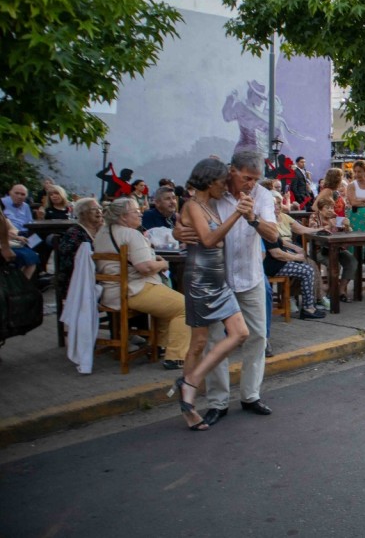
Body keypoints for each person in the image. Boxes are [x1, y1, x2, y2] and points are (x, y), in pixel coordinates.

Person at [176, 151, 280, 426]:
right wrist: (179, 230)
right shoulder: (215, 190)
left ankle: (250, 395)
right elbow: (189, 215)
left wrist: (253, 218)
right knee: (214, 340)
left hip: (250, 276)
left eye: (255, 179)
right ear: (232, 171)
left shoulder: (262, 196)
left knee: (256, 336)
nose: (250, 184)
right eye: (246, 177)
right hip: (215, 280)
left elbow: (274, 235)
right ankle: (218, 402)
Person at [173, 158, 251, 431]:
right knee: (198, 342)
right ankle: (188, 403)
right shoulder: (193, 205)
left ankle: (190, 381)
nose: (224, 186)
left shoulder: (210, 204)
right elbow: (208, 240)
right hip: (199, 280)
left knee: (240, 333)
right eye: (221, 182)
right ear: (209, 181)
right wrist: (237, 214)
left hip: (218, 281)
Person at [93, 198, 189, 370]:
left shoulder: (101, 233)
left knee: (168, 303)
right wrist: (163, 264)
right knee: (185, 307)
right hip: (135, 290)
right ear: (123, 217)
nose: (141, 214)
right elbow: (145, 267)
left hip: (109, 292)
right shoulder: (131, 234)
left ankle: (160, 346)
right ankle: (176, 356)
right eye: (136, 212)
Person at [308, 194, 359, 303]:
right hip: (320, 250)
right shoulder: (314, 217)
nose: (330, 210)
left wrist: (346, 226)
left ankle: (340, 290)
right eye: (327, 208)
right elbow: (313, 231)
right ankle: (332, 291)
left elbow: (346, 234)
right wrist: (328, 226)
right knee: (335, 264)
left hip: (337, 249)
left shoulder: (335, 217)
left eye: (331, 207)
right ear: (321, 209)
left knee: (352, 262)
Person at [55, 198, 104, 303]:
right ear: (83, 213)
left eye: (100, 208)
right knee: (116, 293)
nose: (99, 211)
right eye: (94, 209)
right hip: (78, 283)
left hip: (97, 279)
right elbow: (71, 263)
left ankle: (115, 318)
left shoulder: (101, 231)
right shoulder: (74, 234)